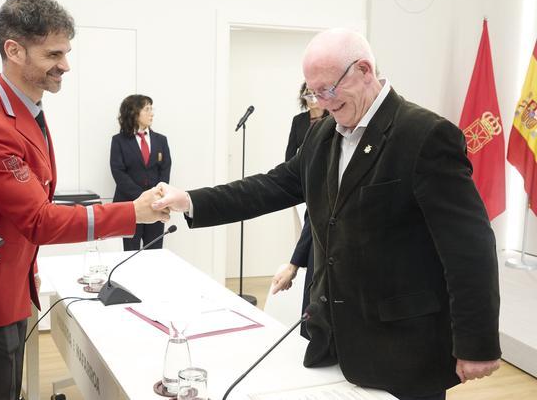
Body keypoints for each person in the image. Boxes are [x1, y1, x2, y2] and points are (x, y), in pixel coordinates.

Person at [153, 28, 501, 400]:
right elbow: (270, 187)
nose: (321, 101)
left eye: (328, 89)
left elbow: (470, 247)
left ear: (364, 70)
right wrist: (189, 200)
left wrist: (476, 342)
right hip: (333, 343)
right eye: (312, 92)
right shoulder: (323, 136)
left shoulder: (425, 135)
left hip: (404, 352)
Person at [0, 0, 168, 399]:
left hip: (7, 287)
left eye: (67, 52)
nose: (65, 65)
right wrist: (131, 212)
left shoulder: (24, 109)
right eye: (53, 55)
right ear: (14, 50)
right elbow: (39, 219)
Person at [271, 83, 328, 337]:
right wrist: (293, 266)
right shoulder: (300, 123)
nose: (313, 100)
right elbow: (289, 160)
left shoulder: (331, 125)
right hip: (306, 189)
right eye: (309, 95)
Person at [110, 94, 172, 250]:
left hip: (156, 205)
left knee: (155, 251)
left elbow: (165, 169)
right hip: (129, 205)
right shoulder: (119, 141)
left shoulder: (161, 140)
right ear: (134, 112)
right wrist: (142, 197)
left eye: (152, 108)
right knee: (129, 252)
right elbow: (118, 172)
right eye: (147, 109)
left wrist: (156, 196)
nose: (152, 113)